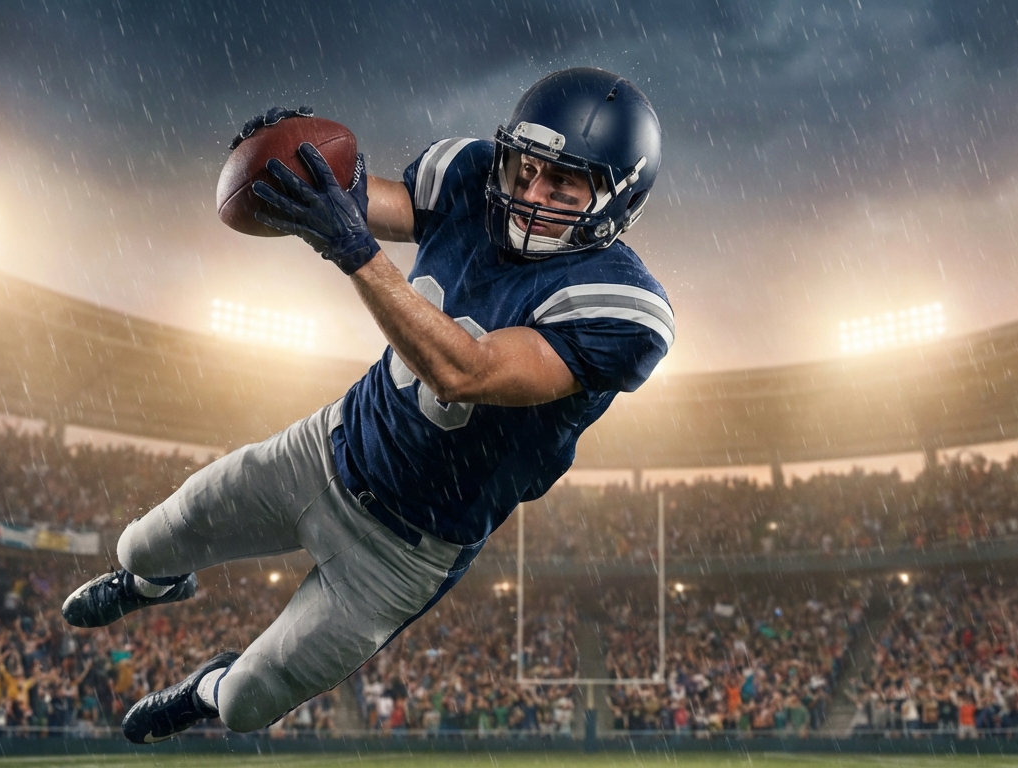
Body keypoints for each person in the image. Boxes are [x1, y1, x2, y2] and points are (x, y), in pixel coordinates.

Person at [60, 66, 671, 743]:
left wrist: (352, 248)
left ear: (619, 200)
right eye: (526, 168)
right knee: (140, 545)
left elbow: (465, 371)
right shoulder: (471, 174)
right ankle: (155, 584)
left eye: (562, 183)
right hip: (327, 450)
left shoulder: (621, 308)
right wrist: (302, 164)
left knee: (243, 706)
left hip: (405, 553)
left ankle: (206, 684)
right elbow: (366, 200)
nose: (529, 194)